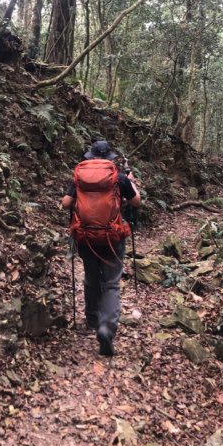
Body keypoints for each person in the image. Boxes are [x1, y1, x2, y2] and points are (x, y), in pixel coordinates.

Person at [61, 140, 141, 356]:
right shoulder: (119, 177)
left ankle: (92, 318)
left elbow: (65, 204)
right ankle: (106, 327)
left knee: (91, 277)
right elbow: (137, 202)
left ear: (91, 156)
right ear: (110, 158)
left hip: (85, 236)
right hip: (112, 237)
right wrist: (131, 184)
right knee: (112, 283)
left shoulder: (80, 178)